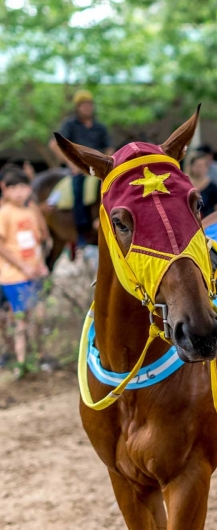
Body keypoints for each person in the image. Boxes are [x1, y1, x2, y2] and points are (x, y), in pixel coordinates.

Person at [0, 167, 49, 378]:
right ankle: (22, 365)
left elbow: (39, 242)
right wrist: (23, 266)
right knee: (20, 319)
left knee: (39, 317)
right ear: (5, 191)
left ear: (29, 188)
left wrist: (41, 264)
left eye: (22, 187)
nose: (18, 192)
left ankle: (38, 356)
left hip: (33, 274)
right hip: (14, 276)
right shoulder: (4, 213)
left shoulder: (31, 212)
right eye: (13, 188)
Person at [48, 89, 112, 245]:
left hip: (100, 166)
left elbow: (110, 149)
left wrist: (109, 161)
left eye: (89, 104)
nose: (87, 107)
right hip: (81, 168)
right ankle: (82, 230)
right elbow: (54, 144)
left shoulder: (100, 127)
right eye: (83, 105)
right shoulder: (70, 124)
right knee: (78, 187)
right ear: (77, 107)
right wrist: (72, 163)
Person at [186, 152, 217, 218]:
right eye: (197, 166)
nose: (199, 169)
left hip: (208, 221)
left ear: (206, 168)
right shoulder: (186, 186)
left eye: (201, 166)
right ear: (191, 167)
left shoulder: (213, 186)